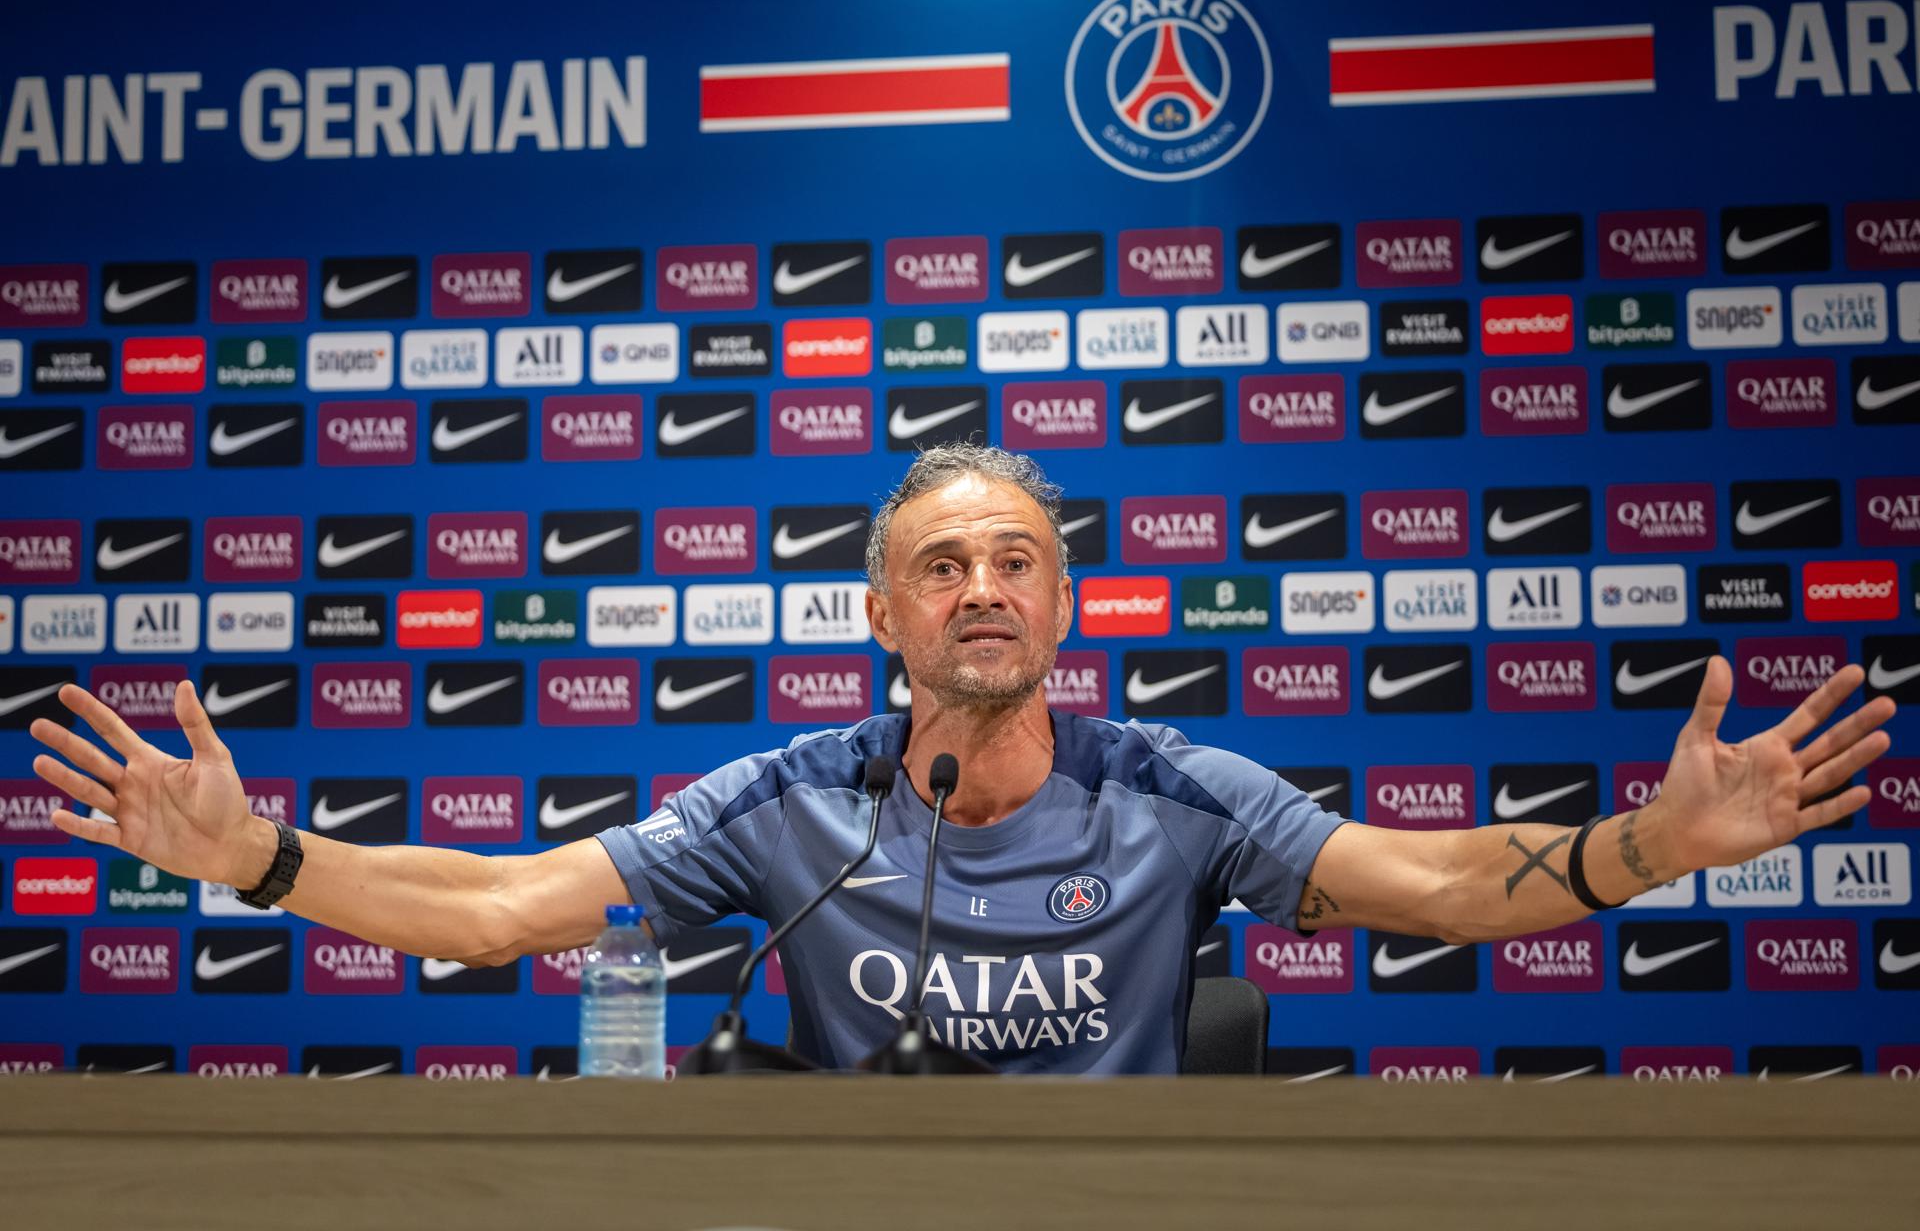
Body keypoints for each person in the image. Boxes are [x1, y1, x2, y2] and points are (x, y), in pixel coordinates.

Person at [29, 445, 1897, 1073]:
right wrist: (260, 861)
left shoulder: (1171, 786)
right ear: (885, 616)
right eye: (943, 565)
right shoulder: (793, 801)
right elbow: (508, 908)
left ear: (1063, 605)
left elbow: (1434, 883)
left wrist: (1653, 845)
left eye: (1016, 559)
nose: (982, 586)